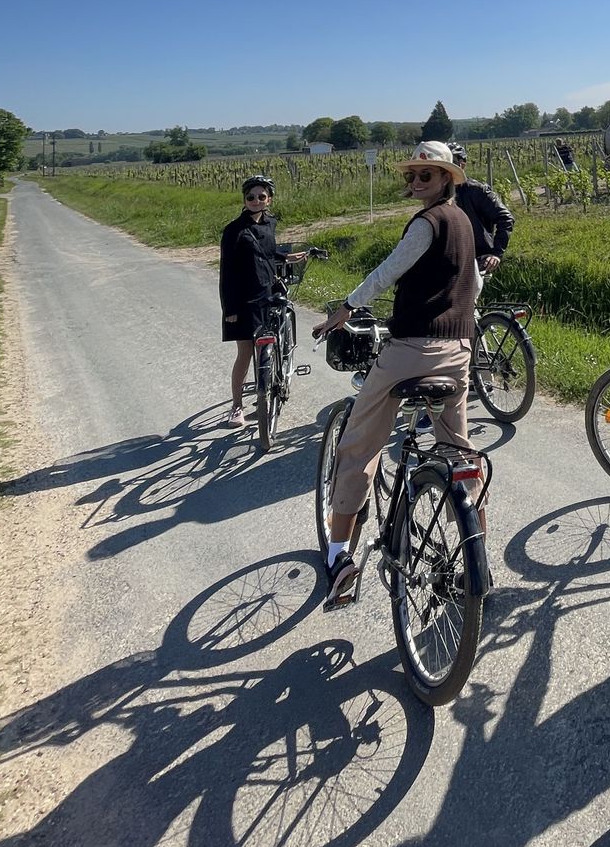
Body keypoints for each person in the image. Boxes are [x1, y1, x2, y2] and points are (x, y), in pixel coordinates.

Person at [313, 142, 482, 606]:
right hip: (458, 347)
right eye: (411, 176)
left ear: (446, 178)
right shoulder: (464, 223)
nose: (414, 184)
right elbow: (474, 281)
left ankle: (338, 555)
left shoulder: (427, 223)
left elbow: (389, 270)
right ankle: (476, 555)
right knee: (457, 448)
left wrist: (345, 309)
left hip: (413, 348)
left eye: (424, 176)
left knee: (358, 443)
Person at [218, 175, 304, 429]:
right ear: (244, 200)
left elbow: (266, 251)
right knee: (245, 354)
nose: (256, 201)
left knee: (264, 350)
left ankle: (264, 392)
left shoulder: (269, 224)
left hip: (267, 295)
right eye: (251, 197)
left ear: (270, 199)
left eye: (261, 197)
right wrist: (230, 309)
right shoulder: (234, 230)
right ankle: (236, 407)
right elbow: (227, 272)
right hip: (242, 301)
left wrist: (285, 256)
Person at [447, 142, 515, 290]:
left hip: (477, 257)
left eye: (451, 163)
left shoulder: (476, 190)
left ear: (462, 165)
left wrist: (496, 253)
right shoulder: (438, 193)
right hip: (450, 258)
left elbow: (505, 218)